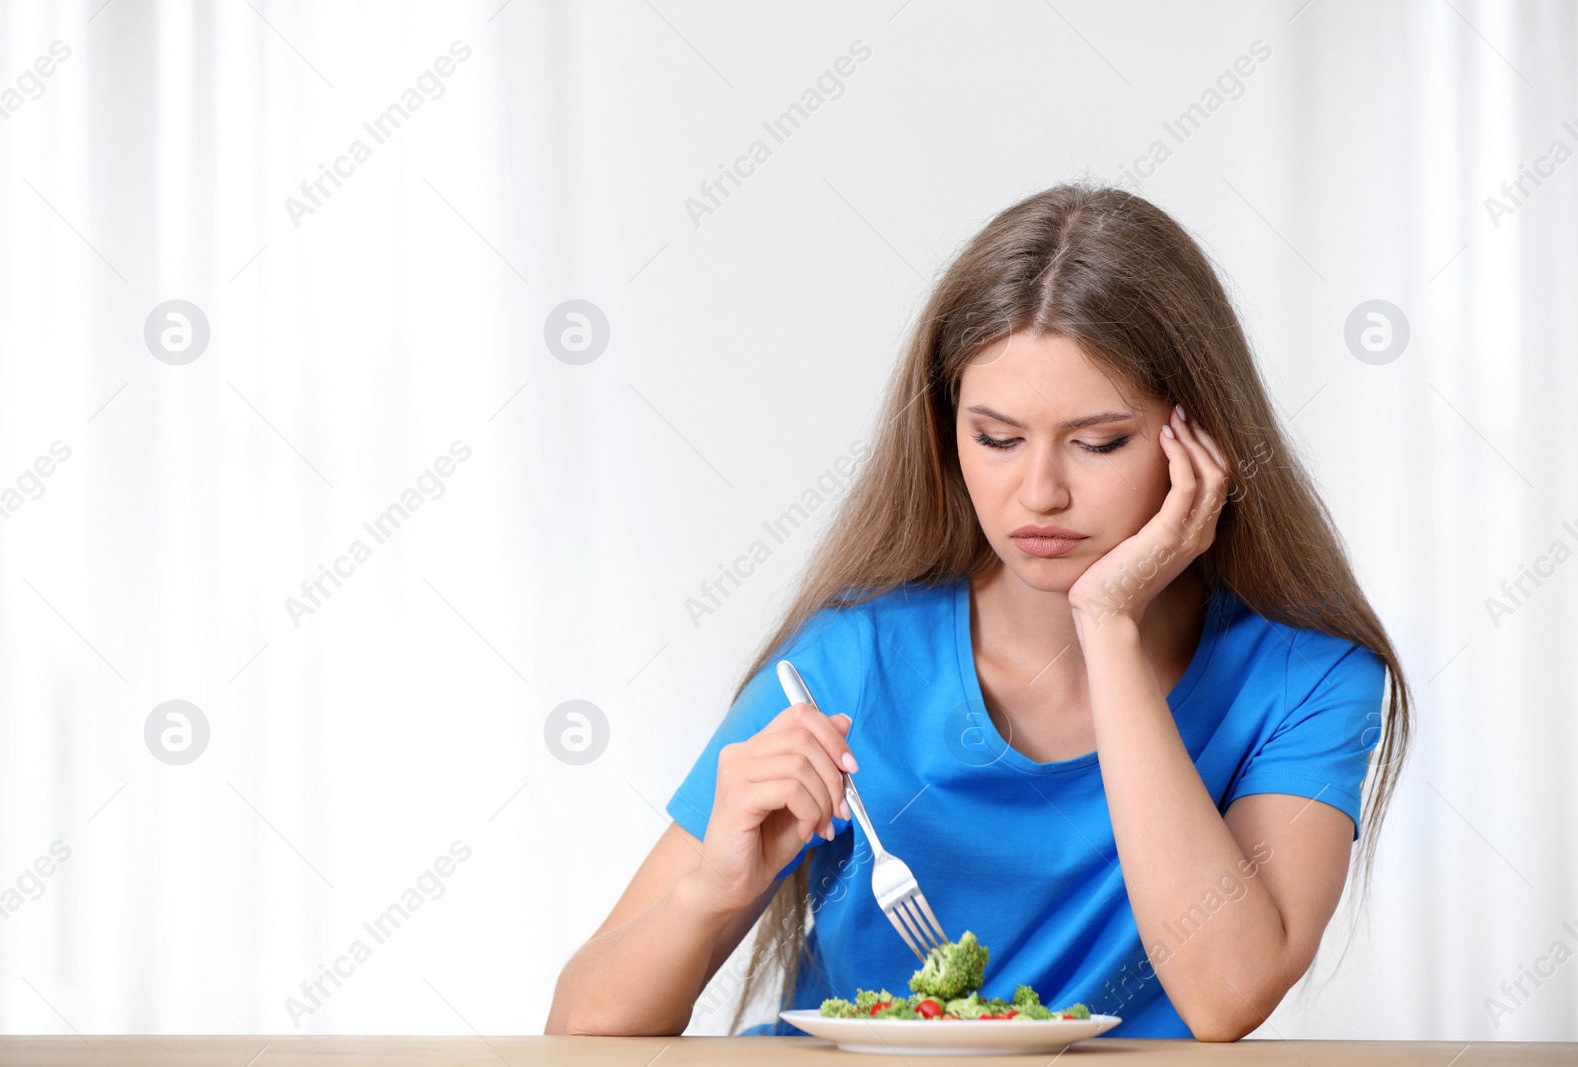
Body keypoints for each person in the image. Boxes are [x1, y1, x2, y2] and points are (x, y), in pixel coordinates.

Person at [544, 181, 1412, 1042]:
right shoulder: (855, 659)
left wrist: (1105, 622)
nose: (1039, 492)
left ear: (1201, 441)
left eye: (1099, 442)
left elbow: (1229, 993)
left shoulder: (1309, 678)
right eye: (996, 438)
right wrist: (712, 891)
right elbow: (580, 1026)